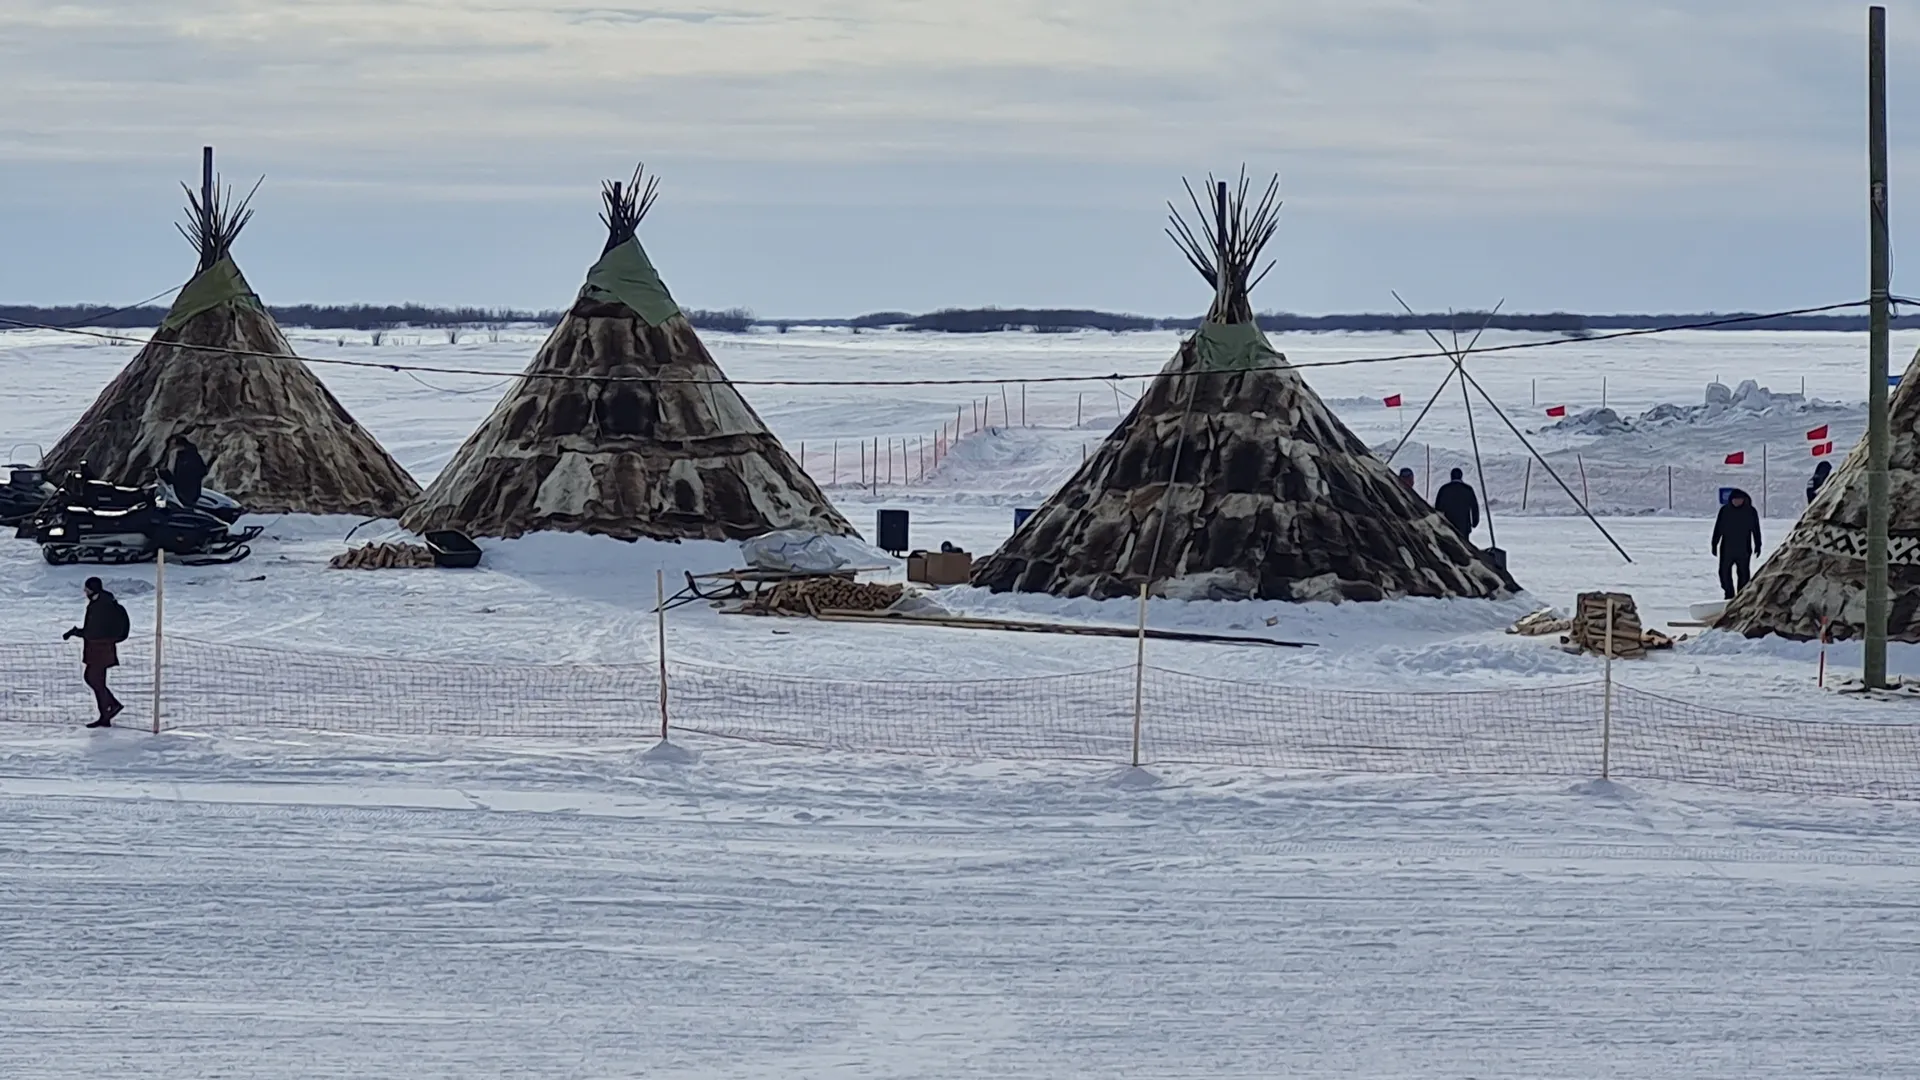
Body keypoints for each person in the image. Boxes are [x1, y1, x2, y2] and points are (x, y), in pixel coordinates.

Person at [63, 576, 130, 728]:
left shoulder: (100, 606)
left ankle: (111, 707)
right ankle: (106, 714)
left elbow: (92, 631)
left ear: (92, 590)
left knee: (93, 678)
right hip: (100, 648)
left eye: (86, 589)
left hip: (100, 649)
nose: (85, 592)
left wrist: (75, 632)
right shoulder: (103, 602)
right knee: (96, 680)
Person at [1712, 488, 1763, 600]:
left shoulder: (1750, 511)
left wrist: (1758, 545)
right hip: (1727, 548)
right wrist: (1714, 543)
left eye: (1739, 500)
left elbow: (1756, 530)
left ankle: (1742, 596)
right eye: (1735, 500)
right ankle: (1729, 593)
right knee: (1724, 573)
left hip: (1744, 548)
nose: (1737, 502)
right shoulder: (1725, 511)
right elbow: (1718, 528)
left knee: (1743, 574)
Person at [158, 433, 207, 509]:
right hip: (190, 492)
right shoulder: (191, 455)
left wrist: (163, 473)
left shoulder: (187, 458)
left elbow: (179, 479)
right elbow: (203, 471)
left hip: (186, 494)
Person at [1433, 467, 1480, 538]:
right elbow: (1474, 507)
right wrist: (1474, 522)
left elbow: (1438, 508)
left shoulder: (1444, 489)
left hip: (1448, 525)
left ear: (1451, 476)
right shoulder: (1468, 490)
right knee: (1464, 545)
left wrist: (1438, 523)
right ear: (1461, 476)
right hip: (1464, 526)